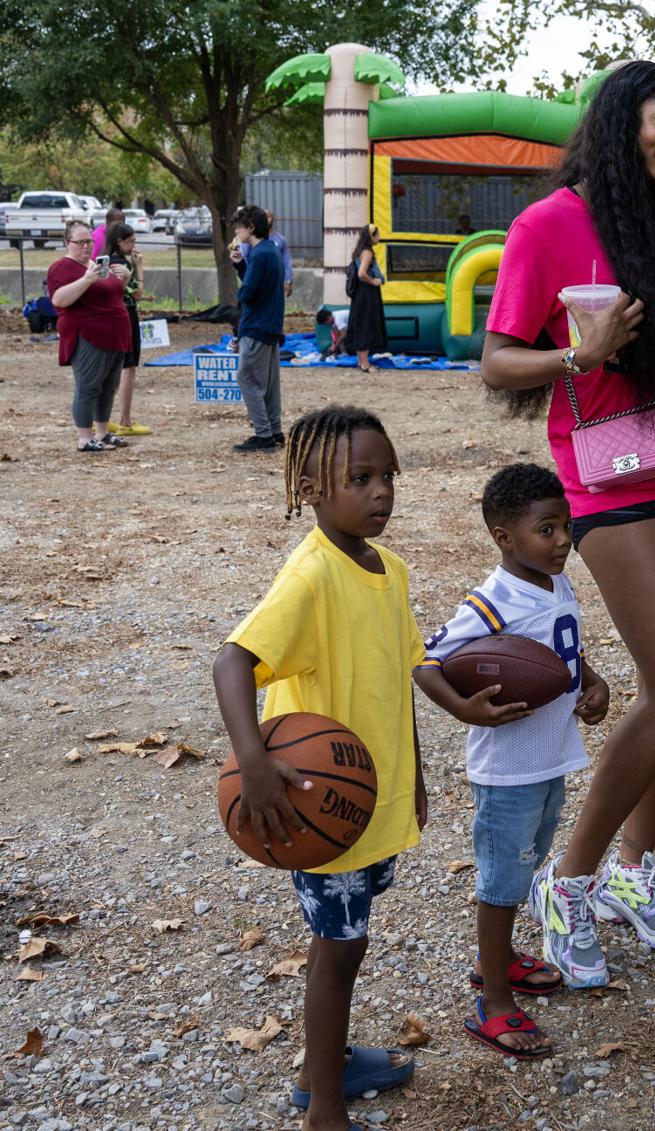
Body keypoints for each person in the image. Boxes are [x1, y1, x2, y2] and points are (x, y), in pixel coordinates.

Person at [481, 60, 655, 987]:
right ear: (624, 120)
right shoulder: (549, 225)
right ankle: (568, 879)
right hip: (608, 469)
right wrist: (576, 357)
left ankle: (633, 867)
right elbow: (498, 363)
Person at [211, 405, 421, 1131]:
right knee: (338, 947)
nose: (380, 492)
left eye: (388, 475)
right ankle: (322, 1104)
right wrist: (254, 760)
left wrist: (416, 778)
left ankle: (321, 1063)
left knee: (352, 938)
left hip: (374, 804)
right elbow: (233, 660)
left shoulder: (388, 568)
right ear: (309, 487)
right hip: (321, 810)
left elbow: (399, 678)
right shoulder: (309, 576)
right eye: (360, 478)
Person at [414, 463, 611, 1057]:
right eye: (546, 530)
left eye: (566, 527)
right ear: (504, 536)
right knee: (502, 883)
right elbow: (426, 662)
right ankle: (493, 1001)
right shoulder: (492, 601)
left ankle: (494, 961)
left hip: (550, 756)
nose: (562, 541)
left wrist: (591, 681)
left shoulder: (559, 583)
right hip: (507, 769)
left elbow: (560, 654)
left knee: (527, 865)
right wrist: (464, 710)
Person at [47, 220, 132, 452]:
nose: (85, 246)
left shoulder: (96, 264)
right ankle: (85, 438)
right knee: (88, 386)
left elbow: (111, 295)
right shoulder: (61, 268)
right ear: (67, 243)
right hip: (88, 336)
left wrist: (123, 278)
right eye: (79, 242)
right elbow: (59, 300)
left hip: (114, 336)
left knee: (107, 387)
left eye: (89, 241)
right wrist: (86, 279)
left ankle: (102, 433)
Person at [228, 204, 285, 451]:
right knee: (269, 382)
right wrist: (241, 265)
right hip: (270, 325)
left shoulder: (260, 254)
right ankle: (274, 429)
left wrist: (241, 289)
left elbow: (249, 292)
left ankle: (263, 434)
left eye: (239, 228)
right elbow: (257, 281)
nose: (237, 233)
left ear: (250, 228)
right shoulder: (269, 250)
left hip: (256, 325)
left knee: (247, 377)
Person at [104, 223, 152, 437]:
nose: (134, 245)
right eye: (130, 241)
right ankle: (124, 420)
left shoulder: (107, 262)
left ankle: (104, 417)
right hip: (125, 316)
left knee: (115, 368)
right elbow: (138, 293)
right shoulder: (122, 265)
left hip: (112, 317)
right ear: (119, 242)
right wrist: (139, 267)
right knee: (127, 368)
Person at [343, 224, 387, 373]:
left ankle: (360, 361)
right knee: (365, 326)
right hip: (367, 294)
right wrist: (374, 281)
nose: (379, 238)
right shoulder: (367, 253)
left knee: (360, 324)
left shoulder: (359, 251)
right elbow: (361, 274)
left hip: (360, 295)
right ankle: (364, 364)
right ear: (371, 236)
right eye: (377, 235)